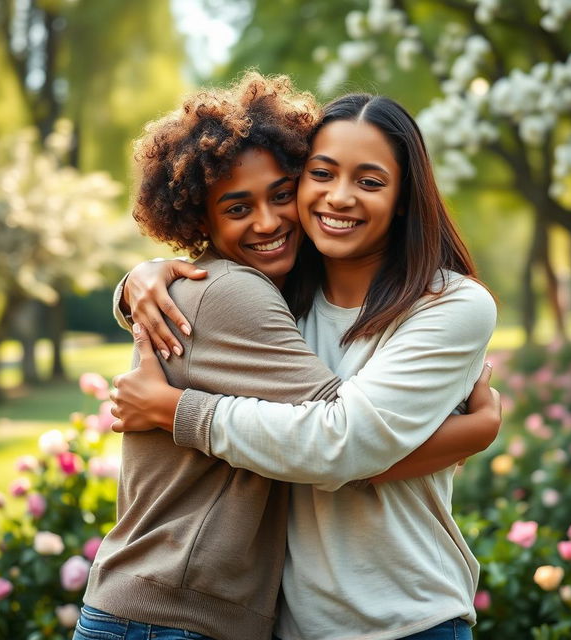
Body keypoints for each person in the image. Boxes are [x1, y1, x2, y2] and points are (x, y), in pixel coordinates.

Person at [79, 73, 499, 640]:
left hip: (407, 616)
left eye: (370, 181)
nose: (339, 196)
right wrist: (137, 281)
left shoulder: (449, 306)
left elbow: (340, 445)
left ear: (404, 198)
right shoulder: (276, 297)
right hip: (287, 624)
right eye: (321, 174)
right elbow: (338, 444)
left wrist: (178, 409)